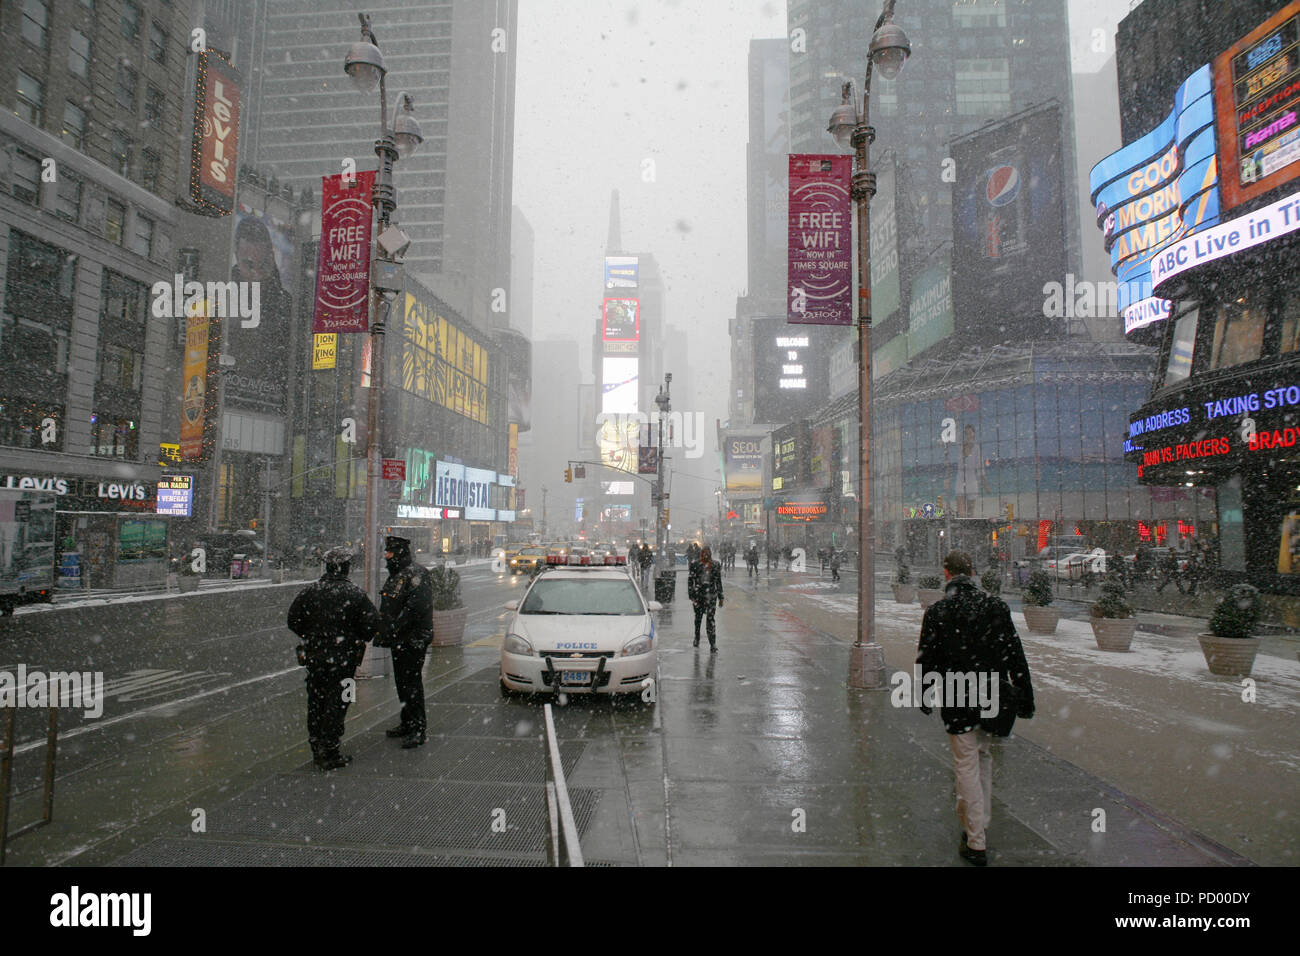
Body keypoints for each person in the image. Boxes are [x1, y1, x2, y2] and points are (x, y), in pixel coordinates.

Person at [916, 550, 1034, 866]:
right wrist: (1025, 696)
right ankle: (976, 825)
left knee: (966, 763)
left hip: (957, 696)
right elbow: (1014, 654)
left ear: (946, 574)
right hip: (991, 694)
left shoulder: (939, 611)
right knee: (982, 758)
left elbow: (928, 659)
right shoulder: (994, 607)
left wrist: (926, 695)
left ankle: (976, 840)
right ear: (972, 572)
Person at [287, 546, 381, 771]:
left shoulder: (310, 591)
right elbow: (372, 625)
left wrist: (312, 636)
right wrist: (354, 637)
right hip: (344, 659)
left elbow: (293, 620)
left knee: (316, 701)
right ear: (347, 568)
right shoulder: (355, 594)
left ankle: (316, 746)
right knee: (338, 703)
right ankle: (330, 750)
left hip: (315, 658)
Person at [376, 535, 434, 749]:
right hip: (400, 638)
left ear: (399, 553)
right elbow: (390, 603)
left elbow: (415, 608)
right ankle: (407, 721)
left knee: (411, 684)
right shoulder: (398, 574)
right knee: (402, 682)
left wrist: (394, 626)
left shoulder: (416, 574)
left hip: (413, 638)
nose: (386, 556)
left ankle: (418, 728)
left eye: (390, 553)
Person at [688, 545, 724, 651]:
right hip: (699, 596)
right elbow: (691, 580)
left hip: (711, 596)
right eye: (704, 553)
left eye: (707, 553)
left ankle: (712, 643)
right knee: (698, 618)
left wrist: (721, 596)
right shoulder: (695, 565)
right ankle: (697, 637)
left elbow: (718, 581)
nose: (706, 555)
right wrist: (692, 595)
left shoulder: (716, 565)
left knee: (710, 619)